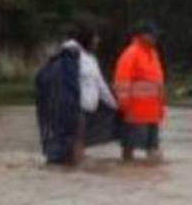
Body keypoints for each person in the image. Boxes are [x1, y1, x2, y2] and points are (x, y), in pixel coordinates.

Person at [61, 25, 121, 164]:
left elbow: (101, 86)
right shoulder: (71, 56)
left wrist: (115, 105)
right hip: (74, 109)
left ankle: (77, 173)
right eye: (95, 37)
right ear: (87, 39)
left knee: (80, 143)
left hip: (88, 111)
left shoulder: (91, 59)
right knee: (76, 143)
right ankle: (77, 173)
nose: (98, 40)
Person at [114, 21, 166, 162]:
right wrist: (124, 106)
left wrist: (161, 107)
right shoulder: (131, 53)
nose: (156, 38)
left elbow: (158, 82)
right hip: (135, 112)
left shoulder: (153, 54)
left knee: (153, 151)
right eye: (153, 35)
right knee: (129, 150)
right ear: (143, 36)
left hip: (152, 113)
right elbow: (122, 81)